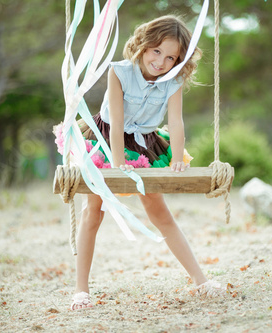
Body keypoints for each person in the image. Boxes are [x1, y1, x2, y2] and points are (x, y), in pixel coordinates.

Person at [55, 15, 223, 311]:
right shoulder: (120, 71)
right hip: (108, 139)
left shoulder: (174, 80)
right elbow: (117, 123)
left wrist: (179, 158)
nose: (160, 62)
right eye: (156, 51)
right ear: (143, 46)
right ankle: (81, 290)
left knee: (160, 213)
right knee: (93, 212)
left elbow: (176, 121)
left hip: (145, 144)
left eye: (170, 57)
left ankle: (201, 281)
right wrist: (118, 163)